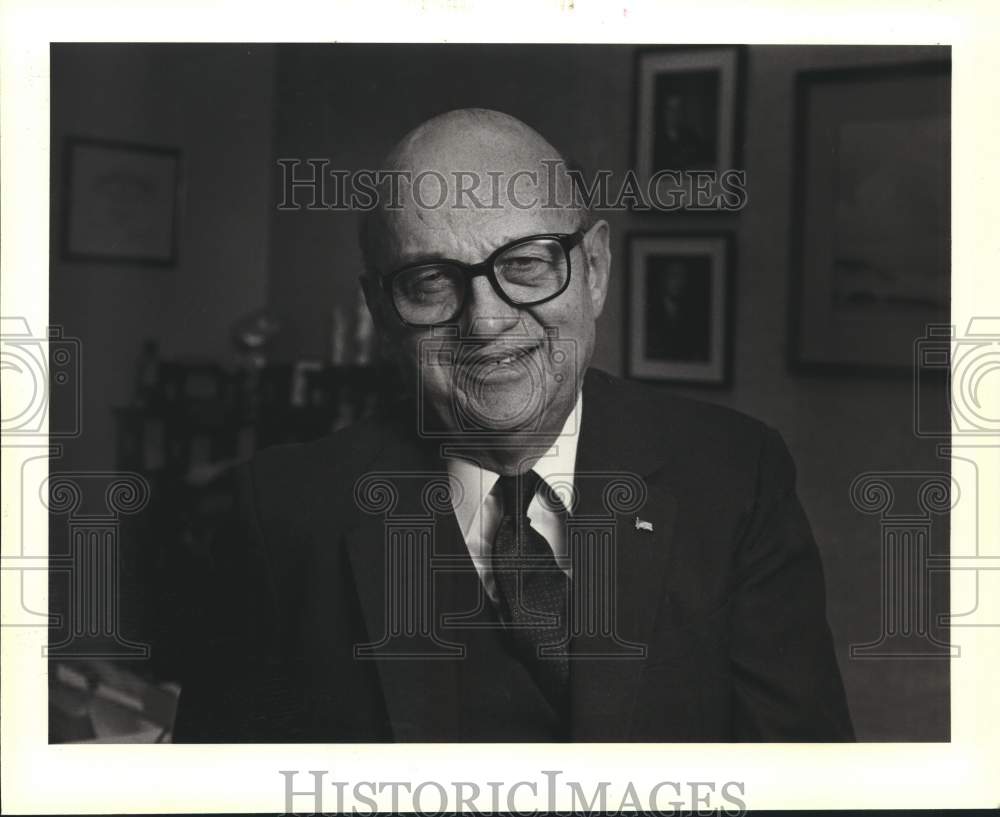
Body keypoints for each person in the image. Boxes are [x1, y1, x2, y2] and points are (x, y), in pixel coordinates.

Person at [173, 108, 853, 742]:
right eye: (431, 282)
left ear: (593, 270)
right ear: (381, 312)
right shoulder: (280, 513)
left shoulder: (737, 475)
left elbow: (806, 782)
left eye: (525, 264)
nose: (488, 321)